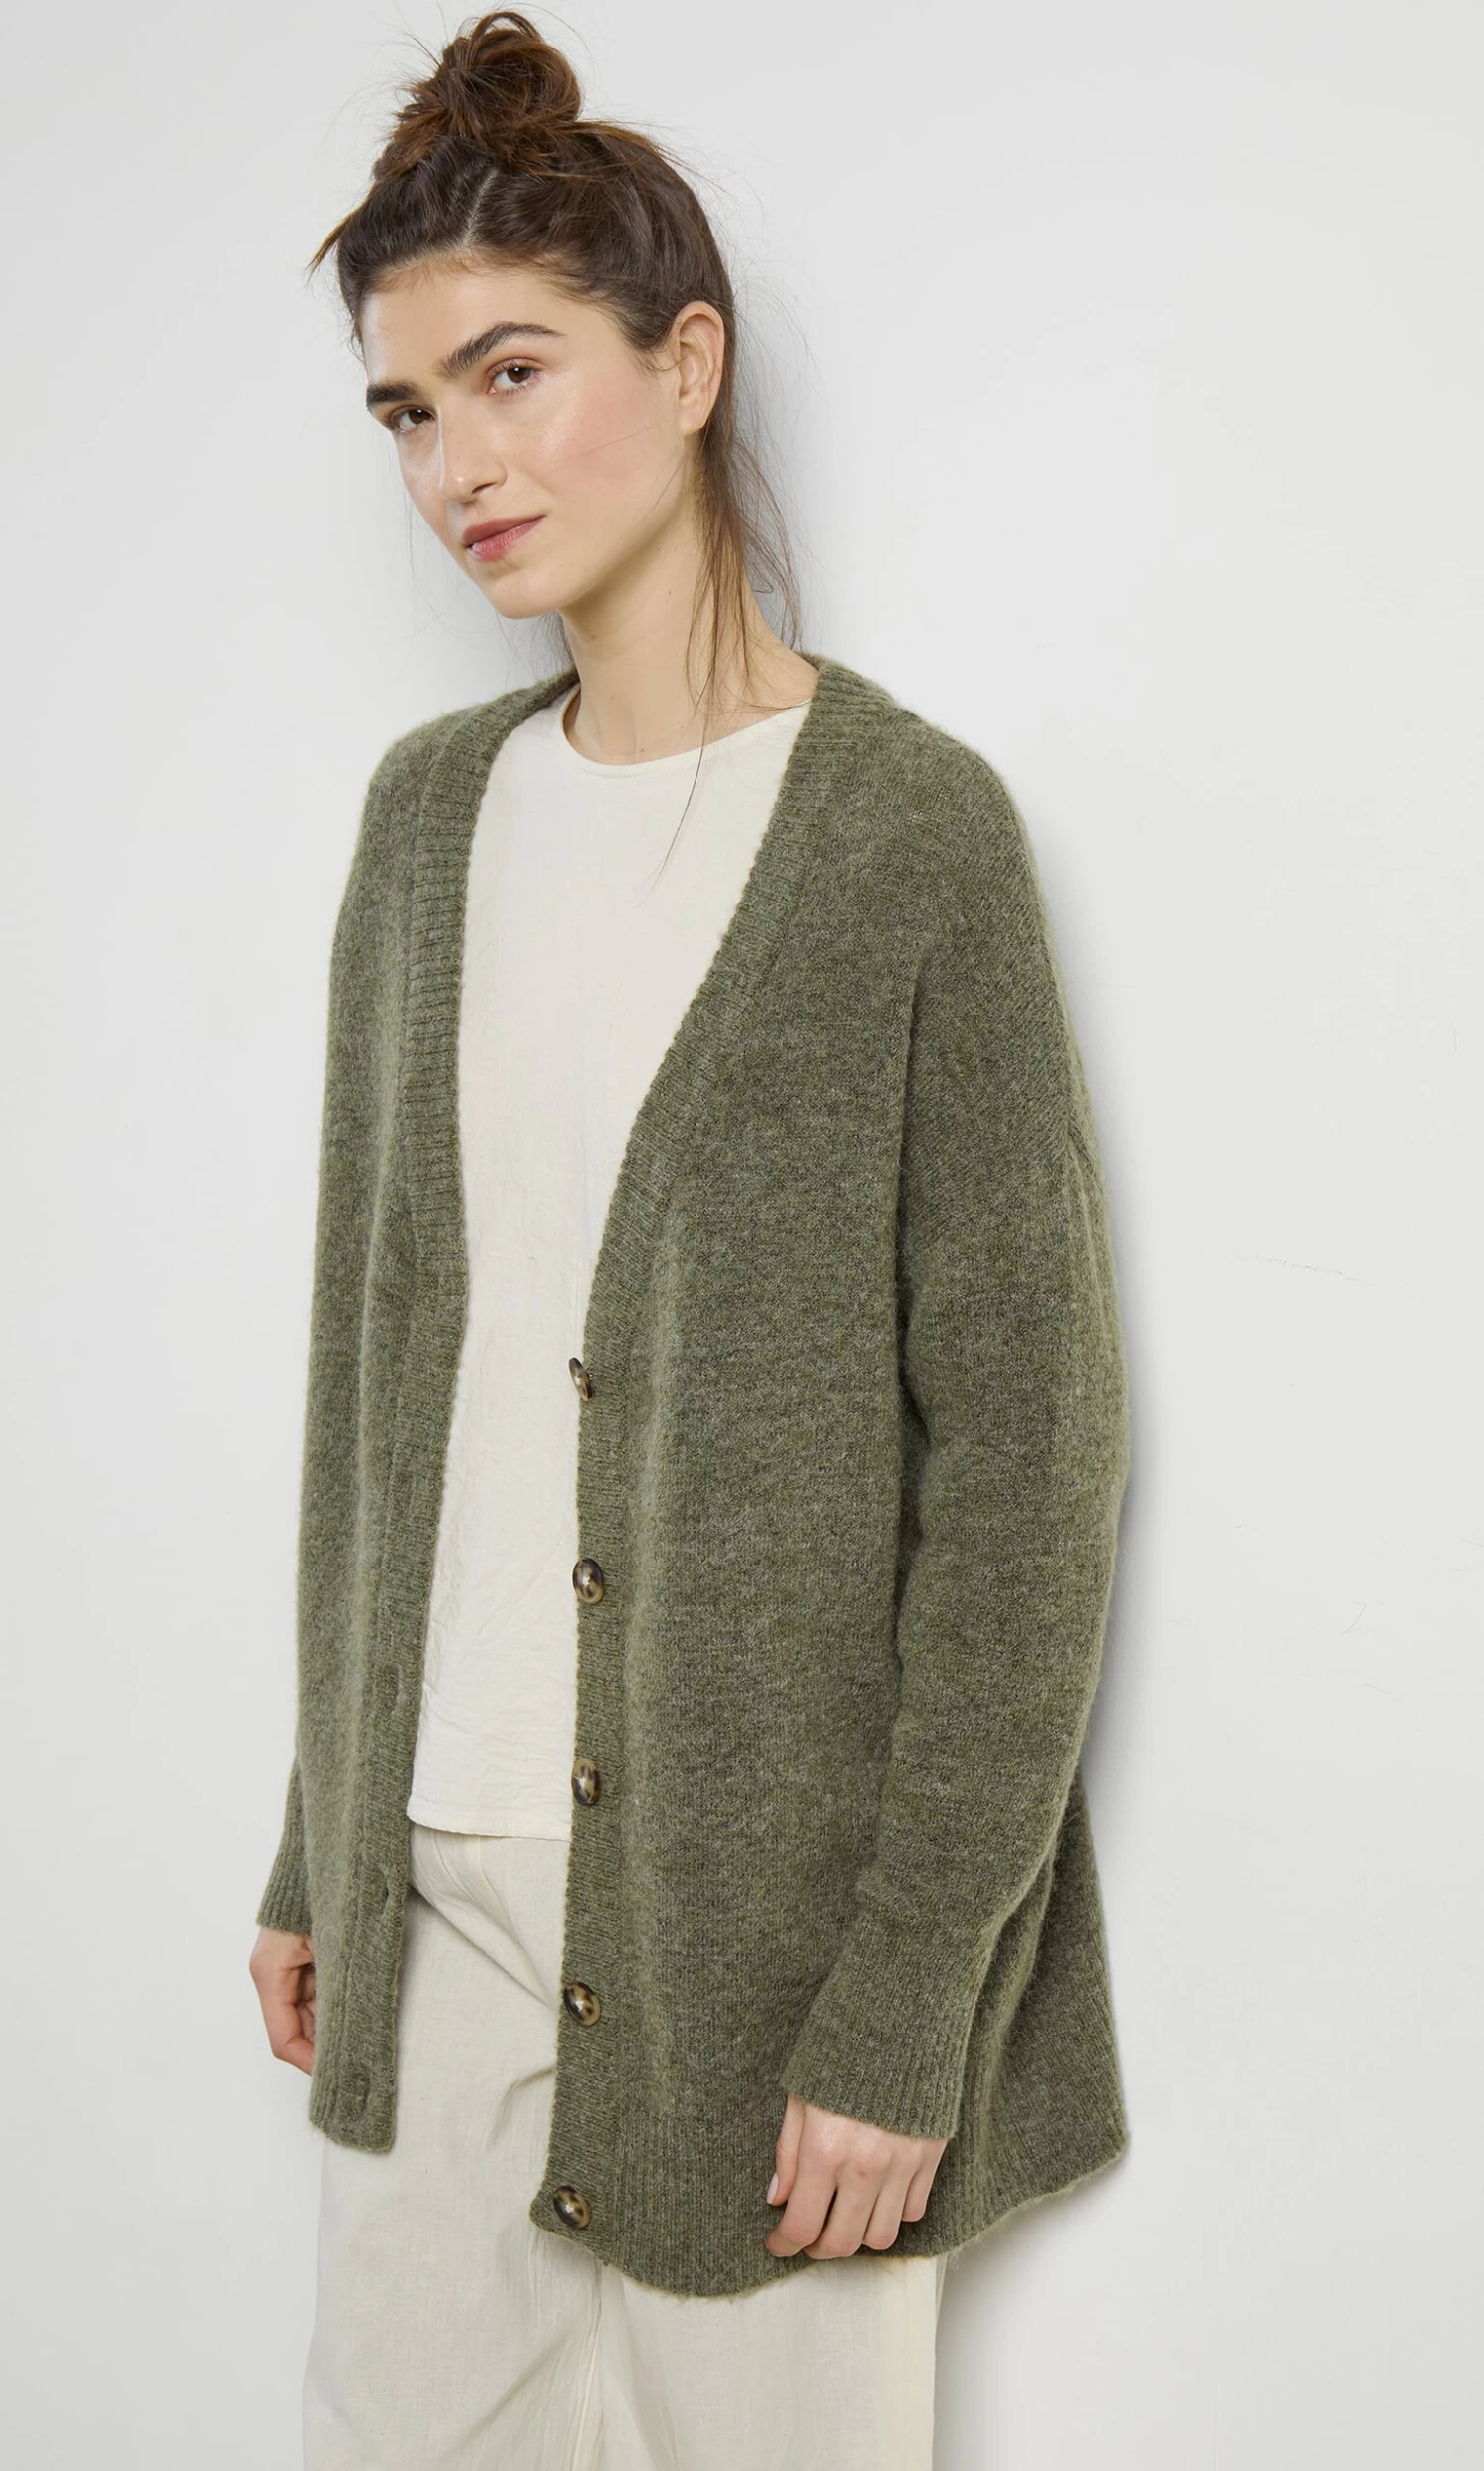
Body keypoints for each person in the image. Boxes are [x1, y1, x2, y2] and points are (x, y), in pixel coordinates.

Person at [247, 13, 1133, 2466]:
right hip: (431, 1882)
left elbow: (1031, 1468)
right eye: (407, 410)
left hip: (764, 1928)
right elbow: (372, 1373)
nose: (457, 464)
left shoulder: (910, 839)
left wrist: (906, 2002)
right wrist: (319, 1832)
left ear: (689, 362)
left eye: (511, 373)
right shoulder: (425, 824)